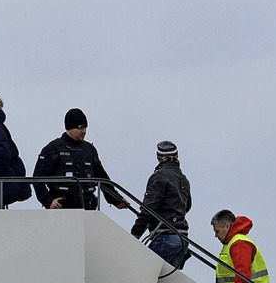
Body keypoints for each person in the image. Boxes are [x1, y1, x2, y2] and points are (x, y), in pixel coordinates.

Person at [32, 108, 130, 210]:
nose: (84, 131)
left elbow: (102, 178)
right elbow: (38, 179)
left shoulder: (89, 150)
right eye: (80, 128)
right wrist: (48, 201)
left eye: (85, 128)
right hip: (62, 209)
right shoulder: (52, 149)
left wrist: (116, 199)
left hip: (87, 208)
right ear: (69, 127)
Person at [130, 140, 192, 268]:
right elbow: (187, 206)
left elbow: (148, 210)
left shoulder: (159, 177)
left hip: (165, 236)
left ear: (159, 158)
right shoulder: (183, 178)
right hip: (183, 238)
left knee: (142, 273)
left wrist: (134, 234)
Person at [211, 209, 271, 283]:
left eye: (217, 231)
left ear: (226, 226)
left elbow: (243, 275)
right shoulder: (233, 243)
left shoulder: (239, 243)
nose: (216, 235)